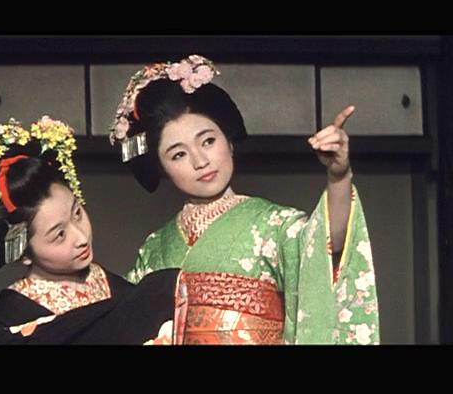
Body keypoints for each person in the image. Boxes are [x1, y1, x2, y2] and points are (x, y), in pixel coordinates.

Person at [110, 55, 379, 344]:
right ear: (162, 169)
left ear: (229, 141)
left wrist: (338, 177)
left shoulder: (274, 225)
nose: (200, 161)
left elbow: (327, 244)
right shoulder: (154, 249)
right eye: (178, 154)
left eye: (208, 141)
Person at [0, 116, 180, 344]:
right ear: (24, 253)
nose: (81, 237)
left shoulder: (107, 282)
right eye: (59, 235)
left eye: (77, 213)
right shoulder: (10, 321)